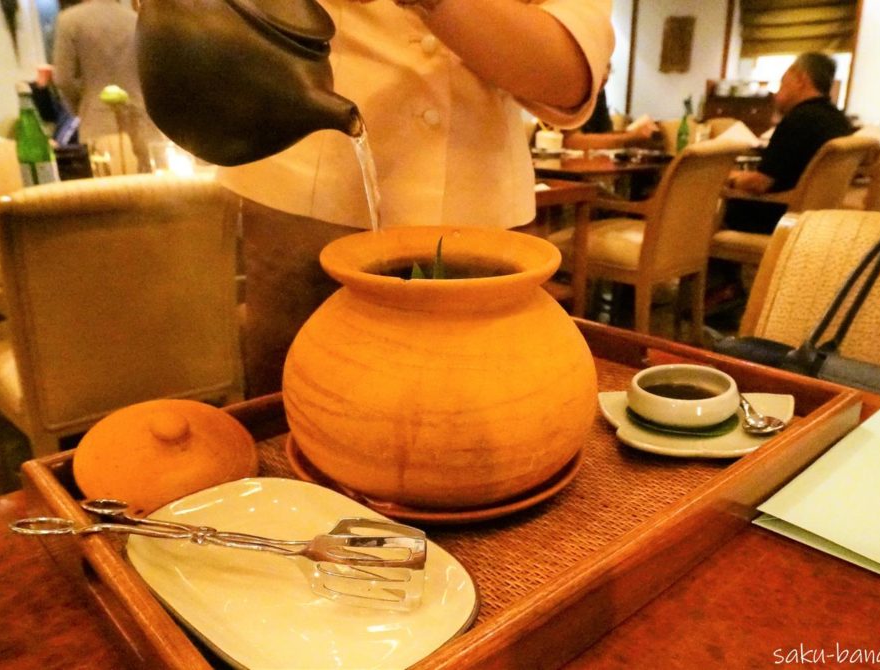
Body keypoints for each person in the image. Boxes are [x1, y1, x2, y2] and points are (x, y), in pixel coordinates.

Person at [218, 0, 613, 396]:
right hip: (309, 191)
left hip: (480, 214)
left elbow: (566, 75)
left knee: (477, 424)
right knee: (294, 413)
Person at [723, 52, 853, 234]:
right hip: (818, 220)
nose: (777, 93)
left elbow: (759, 184)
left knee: (711, 205)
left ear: (801, 79)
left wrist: (730, 178)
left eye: (783, 83)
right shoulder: (840, 120)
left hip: (781, 218)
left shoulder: (799, 120)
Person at [52, 0, 158, 171]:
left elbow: (63, 79)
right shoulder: (135, 19)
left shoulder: (69, 21)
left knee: (108, 187)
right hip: (143, 119)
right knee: (149, 187)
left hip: (98, 123)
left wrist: (81, 108)